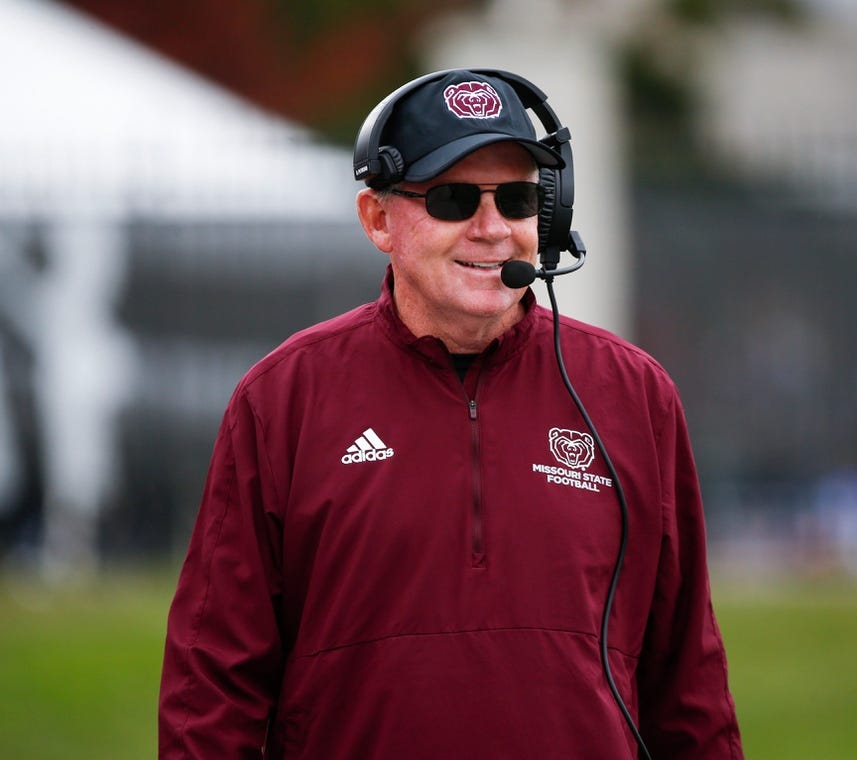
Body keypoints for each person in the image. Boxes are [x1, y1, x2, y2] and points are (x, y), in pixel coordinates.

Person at [159, 68, 743, 759]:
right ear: (378, 219)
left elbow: (689, 683)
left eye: (519, 199)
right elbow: (213, 688)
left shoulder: (634, 395)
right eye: (454, 198)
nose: (492, 229)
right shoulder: (282, 399)